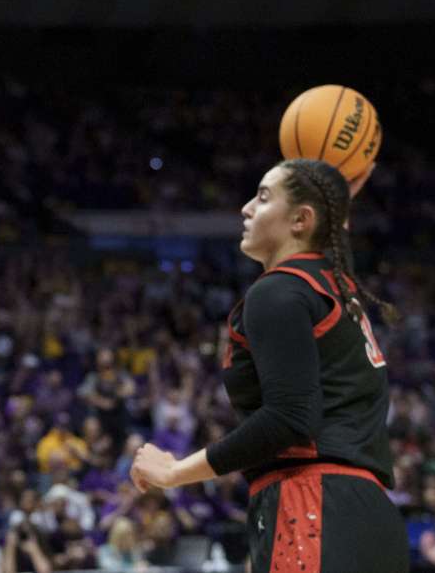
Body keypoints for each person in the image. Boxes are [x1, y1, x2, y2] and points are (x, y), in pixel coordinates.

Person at [130, 158, 408, 573]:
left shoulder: (278, 291)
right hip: (370, 519)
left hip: (311, 504)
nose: (245, 208)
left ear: (300, 220)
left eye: (262, 197)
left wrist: (174, 471)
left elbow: (291, 418)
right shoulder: (338, 289)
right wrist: (341, 193)